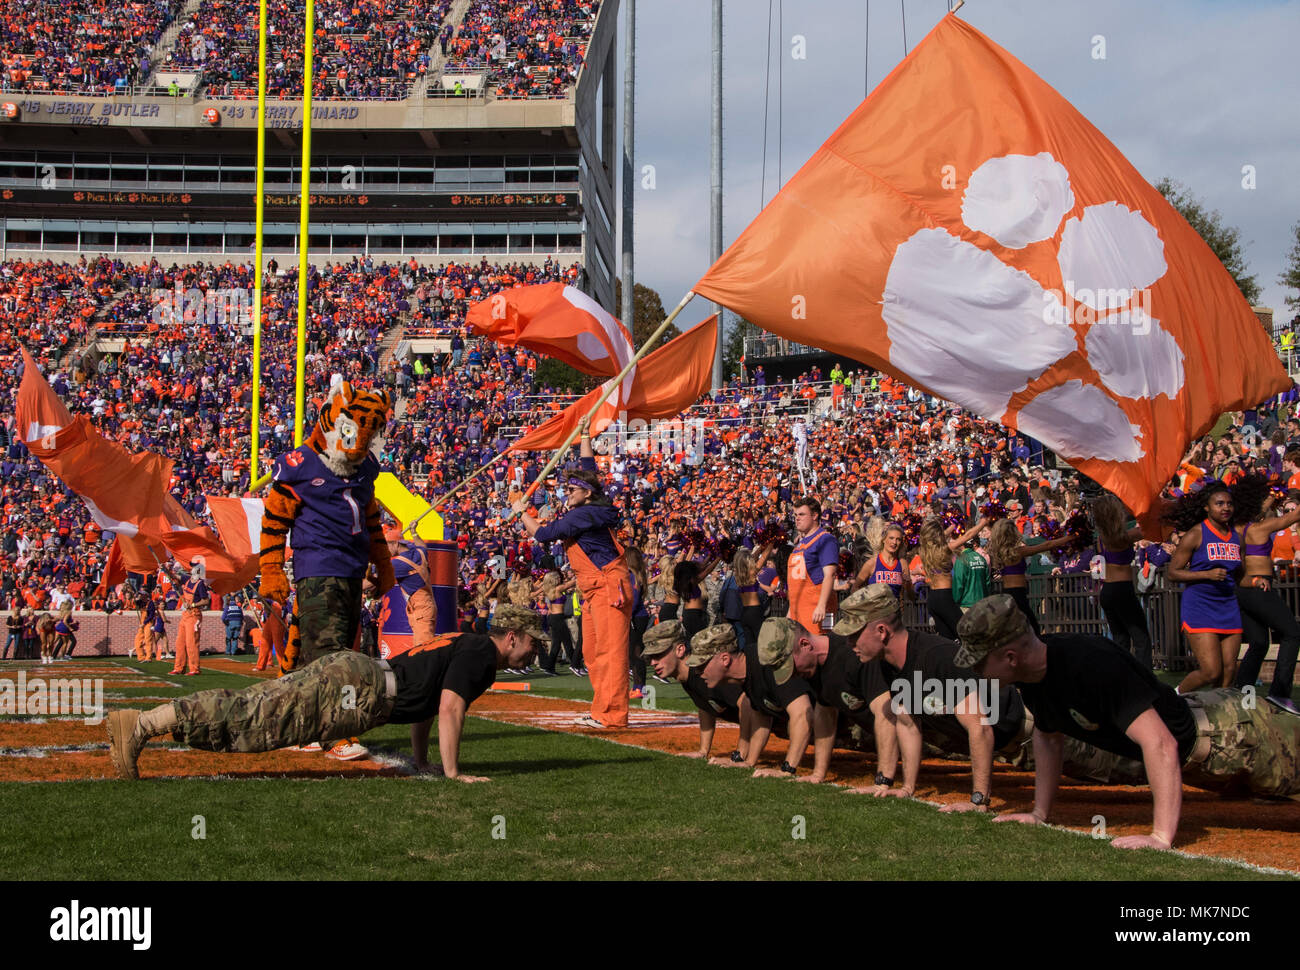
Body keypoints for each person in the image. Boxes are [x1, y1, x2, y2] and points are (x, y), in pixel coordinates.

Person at [957, 594, 1300, 852]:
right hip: (1203, 750)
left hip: (1237, 735)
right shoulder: (1031, 679)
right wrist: (1039, 812)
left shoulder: (1091, 664)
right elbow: (1049, 738)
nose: (975, 673)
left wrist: (1160, 837)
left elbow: (1161, 743)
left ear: (1010, 658)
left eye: (978, 664)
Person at [106, 605, 548, 781]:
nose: (532, 654)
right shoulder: (482, 657)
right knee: (256, 719)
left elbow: (429, 706)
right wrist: (451, 772)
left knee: (258, 709)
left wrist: (420, 760)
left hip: (359, 677)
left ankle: (145, 724)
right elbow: (451, 708)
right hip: (360, 690)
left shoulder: (465, 642)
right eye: (531, 644)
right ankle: (144, 723)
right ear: (511, 636)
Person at [514, 418, 632, 729]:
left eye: (570, 489)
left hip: (608, 586)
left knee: (611, 652)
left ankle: (615, 715)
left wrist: (521, 512)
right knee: (592, 652)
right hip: (593, 589)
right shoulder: (587, 507)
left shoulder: (582, 515)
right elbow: (588, 469)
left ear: (586, 493)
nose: (566, 492)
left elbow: (542, 534)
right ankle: (601, 709)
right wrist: (583, 435)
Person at [690, 623, 815, 776]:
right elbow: (762, 716)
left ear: (724, 659)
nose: (697, 672)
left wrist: (787, 770)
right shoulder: (746, 670)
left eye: (702, 666)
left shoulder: (767, 660)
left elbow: (803, 712)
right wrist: (748, 762)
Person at [1229, 475, 1300, 714]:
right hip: (1259, 588)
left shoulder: (1237, 529)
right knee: (1292, 632)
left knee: (1259, 643)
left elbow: (1262, 505)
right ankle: (1279, 693)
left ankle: (1244, 694)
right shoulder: (1260, 528)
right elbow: (1293, 516)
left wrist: (1271, 494)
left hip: (1242, 590)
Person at [1164, 482, 1243, 692]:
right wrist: (1206, 574)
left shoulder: (1237, 537)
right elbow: (1173, 572)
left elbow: (1240, 574)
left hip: (1228, 605)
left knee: (1228, 671)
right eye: (1219, 503)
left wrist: (1256, 580)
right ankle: (1175, 696)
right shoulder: (1196, 533)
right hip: (1200, 606)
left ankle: (1218, 716)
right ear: (1207, 507)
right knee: (1211, 672)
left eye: (1229, 504)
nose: (1225, 507)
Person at [641, 620, 744, 759]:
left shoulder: (706, 672)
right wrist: (703, 751)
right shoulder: (686, 676)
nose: (653, 662)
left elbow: (747, 704)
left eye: (658, 655)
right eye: (651, 657)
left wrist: (741, 755)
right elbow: (704, 706)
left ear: (680, 650)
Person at [1092, 493, 1153, 668]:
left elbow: (1099, 566)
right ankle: (1145, 678)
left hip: (1107, 590)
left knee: (1120, 639)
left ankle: (1121, 677)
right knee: (1141, 638)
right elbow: (1148, 529)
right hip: (1122, 589)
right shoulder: (1123, 536)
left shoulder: (1100, 538)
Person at [986, 513, 1072, 636]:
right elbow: (1046, 545)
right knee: (1033, 628)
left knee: (1017, 628)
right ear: (1012, 534)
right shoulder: (1018, 552)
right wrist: (1068, 538)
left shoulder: (999, 552)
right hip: (1018, 594)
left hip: (1008, 593)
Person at [918, 513, 988, 640]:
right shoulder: (945, 548)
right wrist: (983, 523)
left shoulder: (924, 550)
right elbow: (968, 535)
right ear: (938, 535)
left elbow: (941, 535)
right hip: (945, 597)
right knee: (966, 632)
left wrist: (954, 524)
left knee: (948, 639)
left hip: (933, 599)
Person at [787, 497, 838, 633]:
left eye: (802, 514)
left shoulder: (825, 539)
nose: (797, 518)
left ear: (815, 515)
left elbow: (830, 574)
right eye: (795, 515)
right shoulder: (800, 544)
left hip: (815, 610)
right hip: (798, 610)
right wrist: (790, 611)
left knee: (818, 649)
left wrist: (821, 606)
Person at [171, 558, 210, 676]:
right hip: (186, 615)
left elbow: (206, 601)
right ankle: (179, 667)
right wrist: (165, 570)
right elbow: (175, 577)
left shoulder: (200, 584)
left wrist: (193, 604)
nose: (191, 569)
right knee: (180, 642)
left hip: (194, 615)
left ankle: (194, 668)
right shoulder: (188, 579)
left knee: (191, 642)